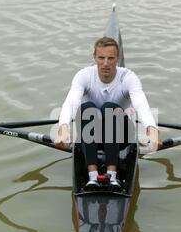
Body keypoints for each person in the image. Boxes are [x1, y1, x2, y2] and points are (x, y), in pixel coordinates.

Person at [55, 37, 160, 190]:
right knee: (87, 108)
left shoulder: (128, 77)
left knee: (109, 108)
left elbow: (141, 105)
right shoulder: (83, 76)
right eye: (101, 58)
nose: (105, 63)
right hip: (91, 134)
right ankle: (92, 177)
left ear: (118, 58)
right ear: (94, 58)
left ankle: (112, 176)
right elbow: (71, 102)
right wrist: (63, 128)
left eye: (111, 58)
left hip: (121, 136)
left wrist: (152, 130)